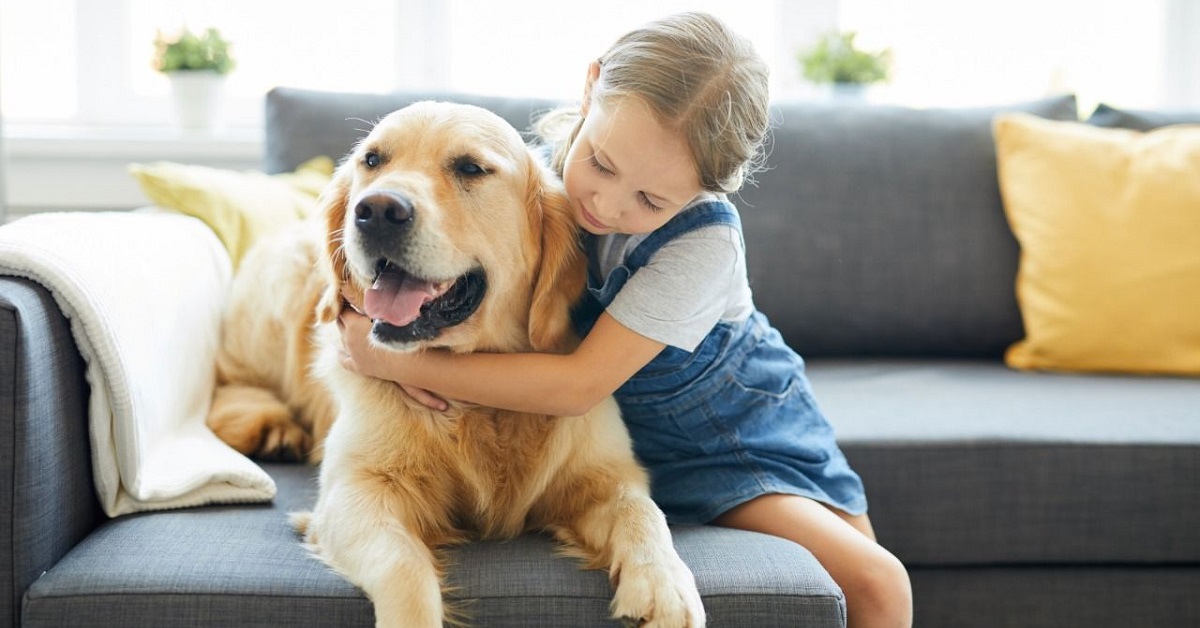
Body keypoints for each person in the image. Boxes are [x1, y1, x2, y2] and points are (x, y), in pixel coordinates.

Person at [337, 12, 912, 628]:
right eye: (603, 164)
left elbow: (578, 386)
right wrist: (357, 324)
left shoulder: (703, 244)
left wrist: (388, 357)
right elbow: (371, 265)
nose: (604, 206)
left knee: (875, 583)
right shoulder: (536, 179)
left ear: (703, 192)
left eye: (651, 200)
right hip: (626, 437)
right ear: (592, 87)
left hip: (732, 438)